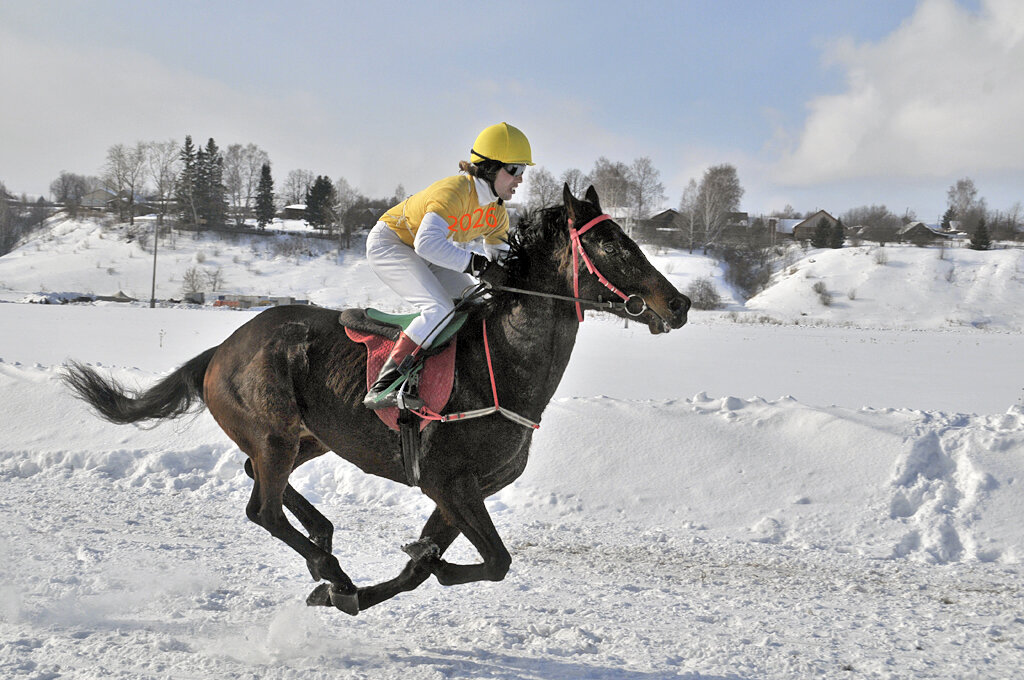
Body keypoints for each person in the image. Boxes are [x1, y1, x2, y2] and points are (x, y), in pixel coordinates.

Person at [362, 122, 533, 409]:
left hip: (426, 252)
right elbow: (427, 244)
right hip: (390, 244)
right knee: (438, 308)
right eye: (514, 170)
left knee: (470, 302)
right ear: (490, 167)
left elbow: (499, 262)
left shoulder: (497, 213)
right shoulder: (455, 190)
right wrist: (476, 265)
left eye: (523, 171)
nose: (520, 179)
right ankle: (384, 386)